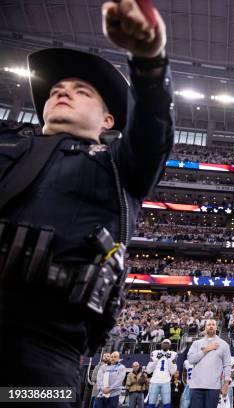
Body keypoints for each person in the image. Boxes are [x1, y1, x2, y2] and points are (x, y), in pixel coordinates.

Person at [0, 0, 173, 401]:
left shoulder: (117, 166)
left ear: (108, 120)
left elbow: (152, 131)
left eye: (81, 91)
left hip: (46, 355)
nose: (63, 94)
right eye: (56, 91)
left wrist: (149, 62)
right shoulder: (8, 145)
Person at [187, 319, 232, 408]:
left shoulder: (224, 344)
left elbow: (227, 365)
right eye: (208, 324)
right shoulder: (196, 343)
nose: (211, 326)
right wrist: (206, 350)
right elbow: (191, 360)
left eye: (213, 324)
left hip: (213, 387)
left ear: (216, 327)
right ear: (205, 327)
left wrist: (226, 384)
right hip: (196, 386)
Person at [146, 339, 178, 408]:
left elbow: (173, 371)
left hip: (166, 381)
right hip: (154, 380)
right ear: (161, 344)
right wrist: (157, 359)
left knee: (167, 404)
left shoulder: (173, 354)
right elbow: (148, 370)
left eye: (167, 343)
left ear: (169, 345)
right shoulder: (155, 353)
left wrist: (169, 359)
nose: (165, 344)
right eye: (164, 343)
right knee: (151, 404)